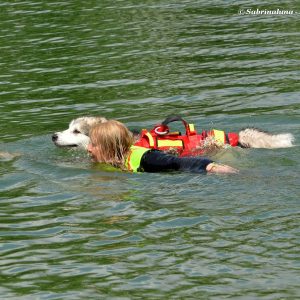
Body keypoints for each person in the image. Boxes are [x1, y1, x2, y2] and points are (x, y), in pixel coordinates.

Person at [87, 120, 238, 174]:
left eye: (93, 144)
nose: (88, 148)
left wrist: (210, 167)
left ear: (109, 147)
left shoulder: (147, 158)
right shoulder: (113, 158)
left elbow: (175, 162)